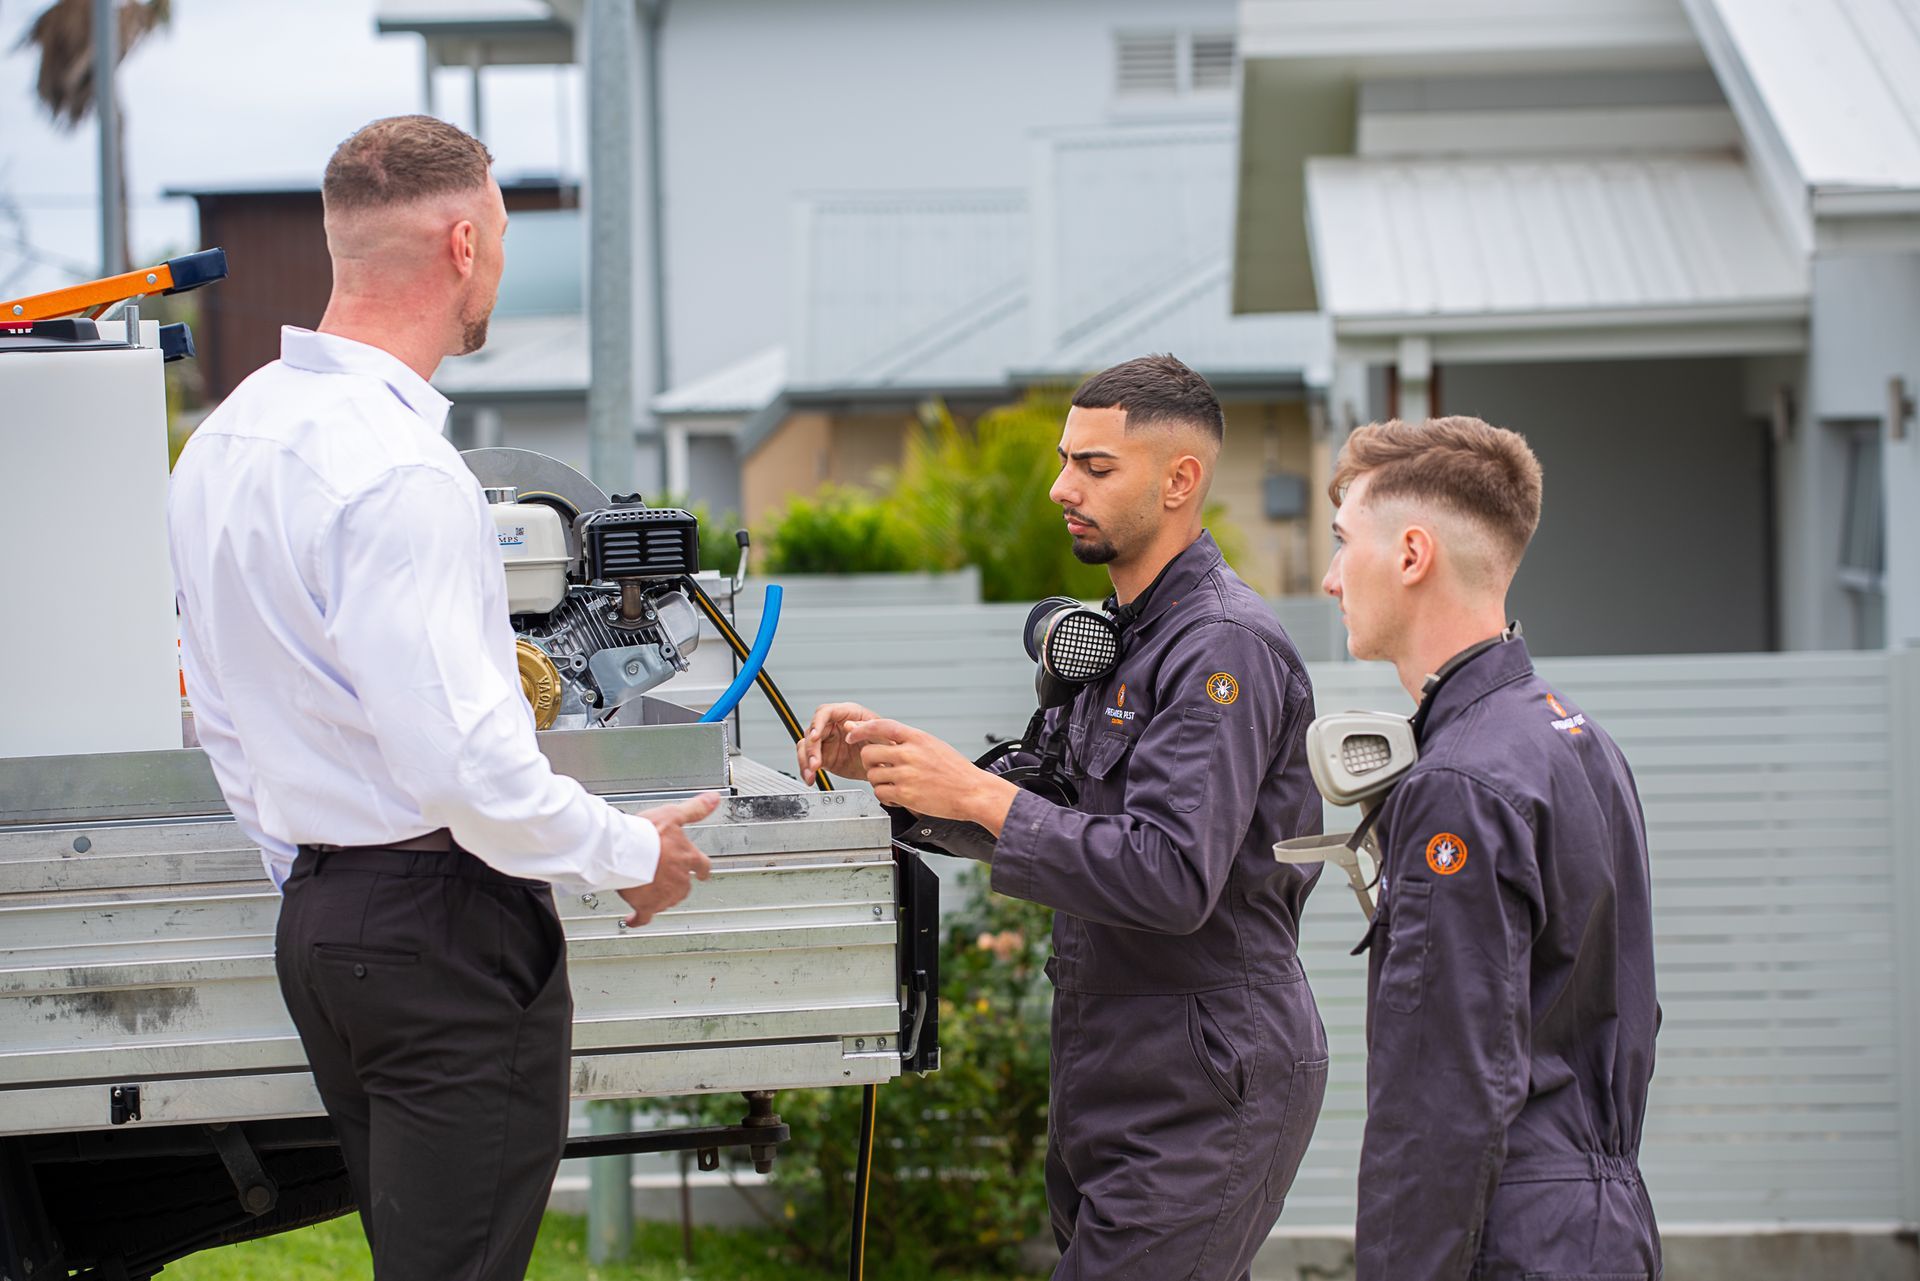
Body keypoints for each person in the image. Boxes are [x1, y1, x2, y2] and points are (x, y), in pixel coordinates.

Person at [167, 115, 718, 1280]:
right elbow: (466, 768)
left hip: (324, 921)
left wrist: (323, 876)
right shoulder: (403, 470)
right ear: (463, 242)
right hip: (441, 931)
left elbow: (214, 711)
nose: (502, 265)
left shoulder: (227, 439)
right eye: (504, 237)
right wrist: (631, 852)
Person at [800, 355, 1328, 1280]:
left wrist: (974, 793)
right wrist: (901, 776)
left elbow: (1170, 875)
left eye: (1095, 466)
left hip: (1204, 1068)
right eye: (1064, 460)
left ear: (1179, 480)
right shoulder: (1121, 636)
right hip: (1109, 1058)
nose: (1059, 487)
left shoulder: (1221, 646)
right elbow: (1045, 805)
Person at [1321, 416, 1661, 1280]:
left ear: (1411, 553)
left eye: (1341, 542)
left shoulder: (1458, 783)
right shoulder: (1575, 736)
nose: (1329, 579)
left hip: (1509, 1236)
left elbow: (1441, 1095)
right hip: (1604, 1225)